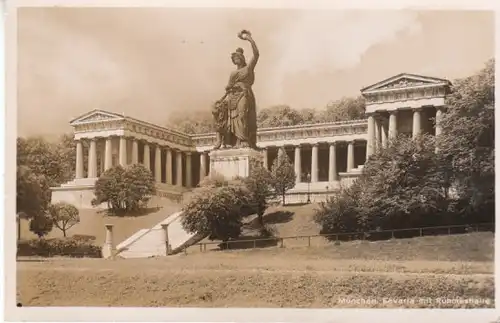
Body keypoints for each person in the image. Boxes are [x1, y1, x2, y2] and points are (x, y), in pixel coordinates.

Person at [215, 30, 259, 149]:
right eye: (234, 59)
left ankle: (243, 140)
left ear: (242, 58)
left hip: (244, 94)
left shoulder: (248, 69)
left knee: (242, 116)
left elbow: (256, 54)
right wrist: (221, 99)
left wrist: (249, 39)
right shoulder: (233, 73)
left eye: (237, 58)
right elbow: (228, 89)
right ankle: (230, 141)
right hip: (232, 96)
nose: (236, 60)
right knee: (226, 116)